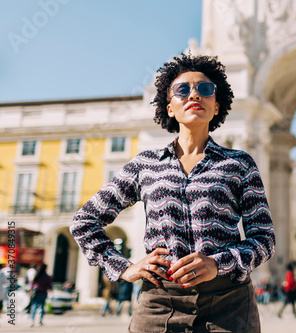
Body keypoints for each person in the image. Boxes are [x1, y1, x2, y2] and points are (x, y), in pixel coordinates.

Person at [70, 53, 275, 332]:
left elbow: (264, 239)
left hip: (229, 306)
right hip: (159, 305)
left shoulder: (239, 164)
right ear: (169, 107)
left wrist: (218, 263)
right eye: (182, 90)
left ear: (216, 106)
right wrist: (123, 267)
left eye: (205, 89)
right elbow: (84, 221)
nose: (194, 94)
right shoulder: (145, 164)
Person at [29, 263, 53, 327]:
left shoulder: (37, 275)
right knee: (42, 307)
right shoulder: (47, 277)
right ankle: (40, 321)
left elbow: (32, 284)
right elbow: (50, 286)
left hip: (36, 293)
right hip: (43, 293)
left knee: (34, 306)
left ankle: (32, 321)